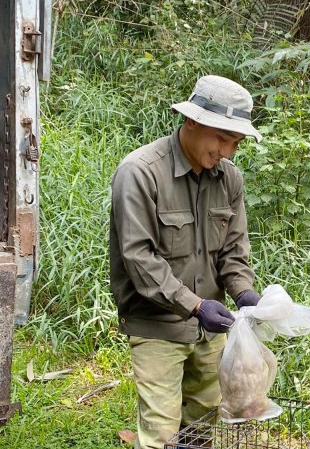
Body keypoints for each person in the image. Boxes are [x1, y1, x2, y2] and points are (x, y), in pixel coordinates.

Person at [110, 75, 264, 449]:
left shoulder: (230, 180)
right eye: (221, 138)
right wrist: (195, 306)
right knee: (161, 435)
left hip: (211, 329)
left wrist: (245, 294)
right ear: (191, 122)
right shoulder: (141, 172)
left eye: (235, 143)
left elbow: (232, 252)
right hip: (157, 324)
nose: (227, 151)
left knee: (201, 428)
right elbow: (140, 259)